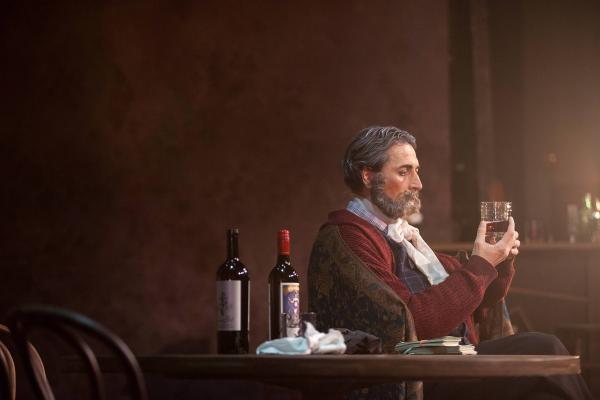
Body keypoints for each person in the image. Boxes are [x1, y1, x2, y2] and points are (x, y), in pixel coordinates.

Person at [308, 126, 593, 400]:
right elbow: (411, 321)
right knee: (545, 348)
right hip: (422, 376)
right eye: (404, 172)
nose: (418, 183)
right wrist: (481, 264)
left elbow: (480, 302)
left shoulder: (404, 237)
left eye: (416, 171)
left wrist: (498, 262)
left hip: (456, 363)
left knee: (544, 394)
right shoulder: (351, 238)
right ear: (368, 176)